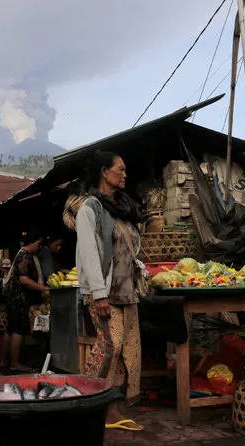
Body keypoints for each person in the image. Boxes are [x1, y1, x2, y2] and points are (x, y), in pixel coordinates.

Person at [76, 151, 148, 431]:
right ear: (105, 172)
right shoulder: (89, 209)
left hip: (126, 292)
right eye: (121, 169)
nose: (125, 174)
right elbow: (89, 254)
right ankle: (87, 402)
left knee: (125, 352)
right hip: (104, 293)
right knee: (110, 346)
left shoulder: (123, 208)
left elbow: (128, 250)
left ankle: (112, 407)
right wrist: (98, 294)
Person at [0, 230, 50, 372]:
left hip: (11, 297)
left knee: (10, 329)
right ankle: (15, 364)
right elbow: (24, 279)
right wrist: (42, 288)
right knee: (19, 329)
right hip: (18, 298)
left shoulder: (21, 253)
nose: (39, 247)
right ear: (31, 242)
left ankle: (4, 361)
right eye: (38, 244)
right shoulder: (25, 256)